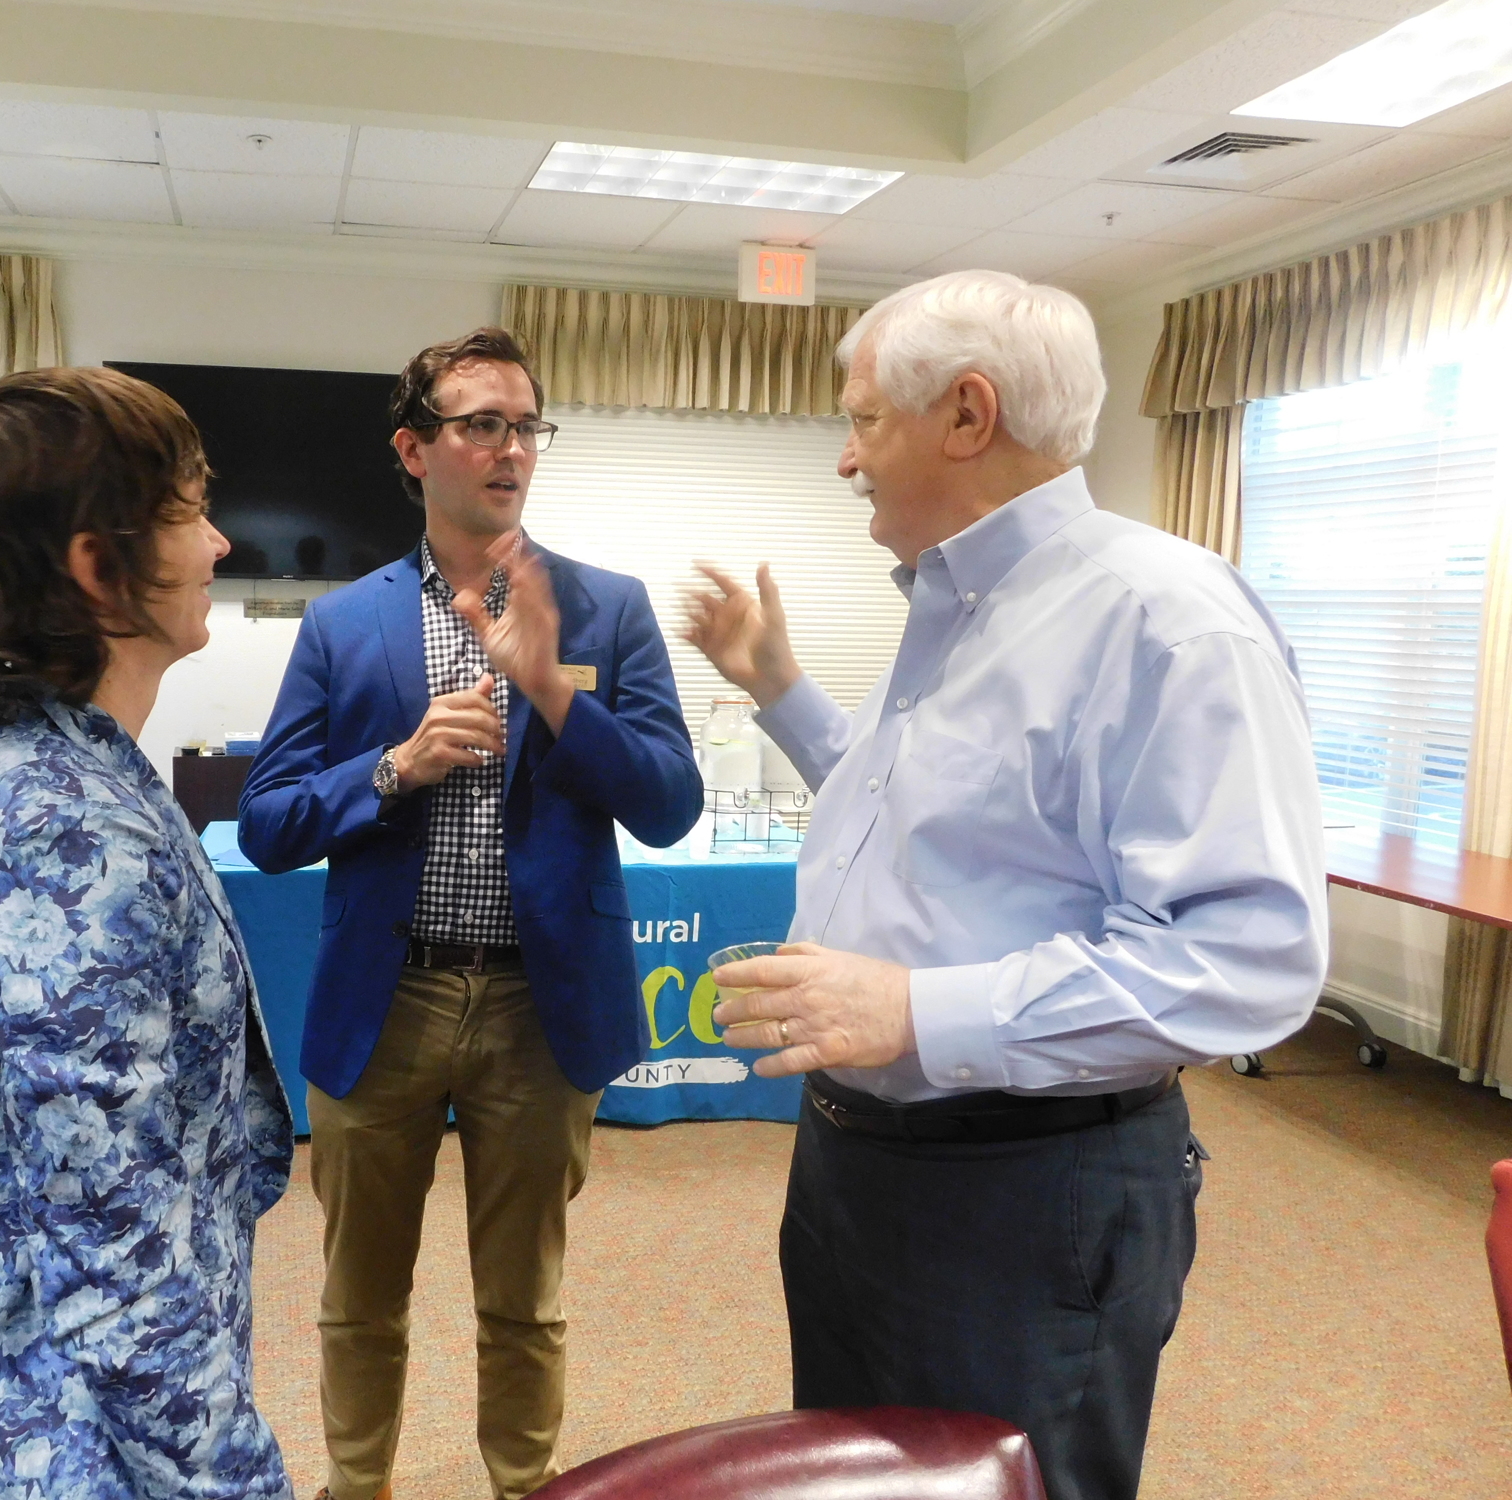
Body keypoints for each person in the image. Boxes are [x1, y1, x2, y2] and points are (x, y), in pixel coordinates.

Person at [684, 270, 1328, 1500]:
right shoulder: (958, 606)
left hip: (1024, 1193)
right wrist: (778, 691)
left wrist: (916, 1013)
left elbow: (1248, 955)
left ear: (966, 415)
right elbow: (934, 824)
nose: (845, 459)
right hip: (858, 1169)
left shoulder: (1166, 621)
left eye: (863, 419)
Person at [239, 327, 702, 1500]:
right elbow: (270, 823)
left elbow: (667, 804)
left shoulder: (604, 610)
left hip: (537, 1010)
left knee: (524, 1301)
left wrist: (551, 692)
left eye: (524, 426)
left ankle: (526, 1487)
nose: (509, 448)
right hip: (380, 1001)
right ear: (414, 449)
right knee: (358, 1299)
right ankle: (357, 1486)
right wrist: (391, 767)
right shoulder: (345, 624)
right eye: (480, 424)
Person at [0, 366, 294, 1500]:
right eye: (189, 512)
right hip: (58, 1438)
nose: (218, 547)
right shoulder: (59, 832)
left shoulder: (54, 765)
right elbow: (116, 1258)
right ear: (98, 566)